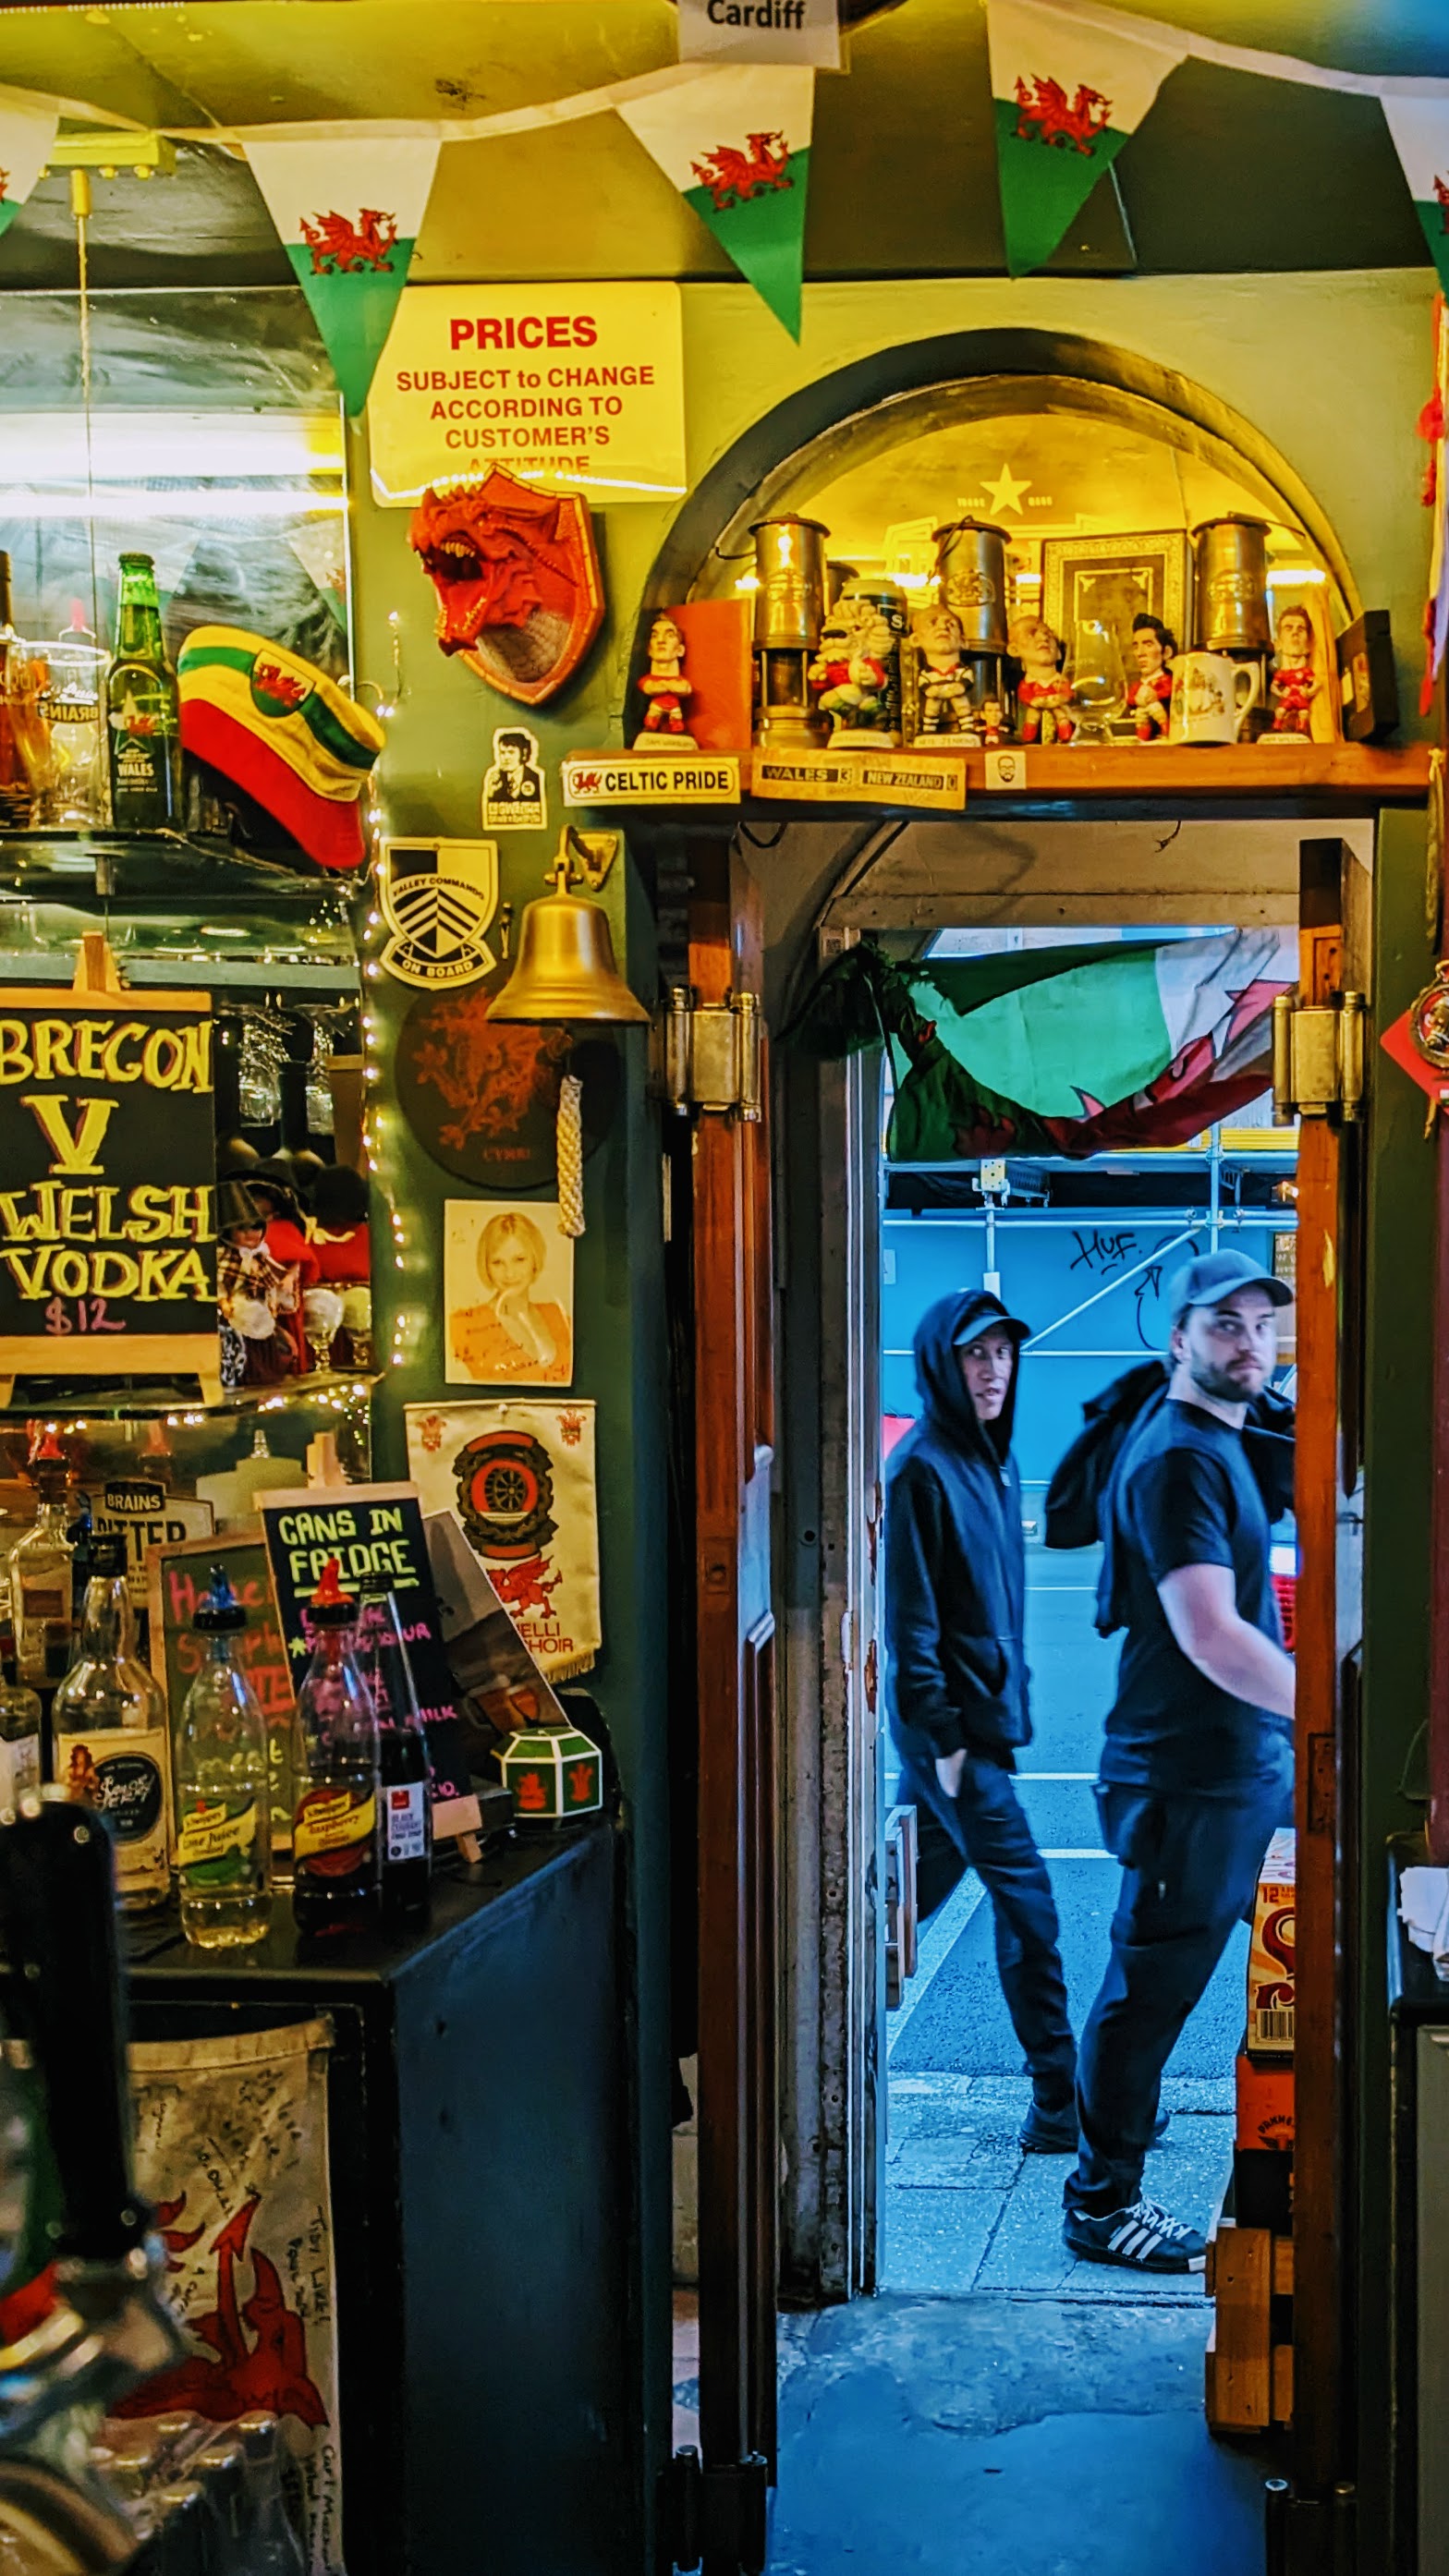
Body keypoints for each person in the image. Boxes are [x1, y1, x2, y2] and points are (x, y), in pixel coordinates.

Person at [1063, 1249, 1296, 2275]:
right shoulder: (1176, 1459)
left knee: (1301, 1952)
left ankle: (1283, 2147)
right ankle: (1098, 2200)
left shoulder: (1225, 1438)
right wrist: (1327, 1711)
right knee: (1146, 1991)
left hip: (1239, 1763)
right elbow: (1207, 1632)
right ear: (1176, 1336)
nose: (1248, 1343)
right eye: (1225, 1324)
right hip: (1182, 1776)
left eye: (1260, 1323)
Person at [883, 1289, 1078, 2151]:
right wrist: (952, 1745)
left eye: (1002, 1352)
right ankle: (1060, 2103)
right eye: (975, 1354)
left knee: (891, 1911)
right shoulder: (923, 1468)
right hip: (955, 1739)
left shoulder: (989, 1461)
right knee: (1029, 1906)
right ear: (942, 1364)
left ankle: (813, 2032)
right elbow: (911, 1626)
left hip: (983, 1729)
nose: (993, 1369)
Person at [450, 1208, 572, 1384]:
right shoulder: (462, 1324)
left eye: (519, 1260)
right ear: (486, 1266)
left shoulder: (559, 1317)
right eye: (498, 1262)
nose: (510, 1274)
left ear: (534, 1260)